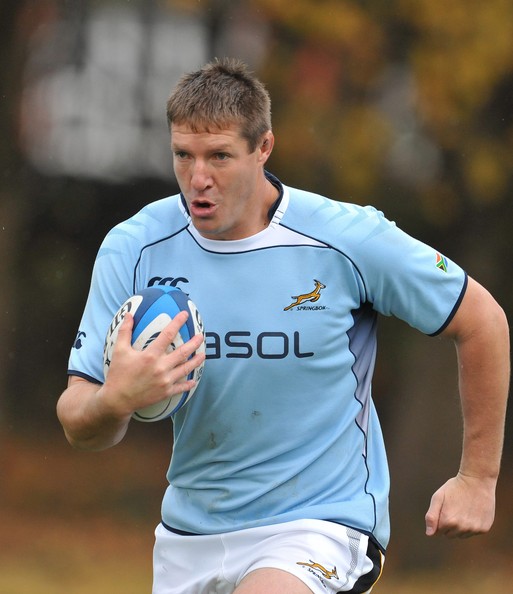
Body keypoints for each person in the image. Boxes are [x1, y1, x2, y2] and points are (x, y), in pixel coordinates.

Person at [57, 58, 510, 594]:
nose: (198, 178)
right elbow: (78, 419)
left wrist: (478, 478)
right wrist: (114, 400)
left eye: (219, 156)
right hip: (189, 535)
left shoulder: (345, 239)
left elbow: (483, 320)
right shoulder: (135, 246)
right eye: (183, 155)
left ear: (263, 148)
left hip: (319, 524)